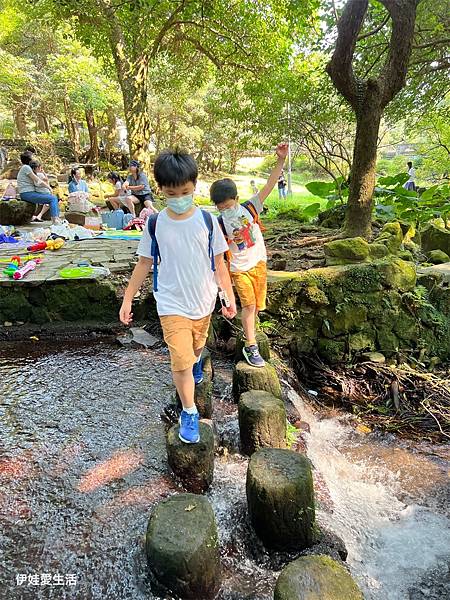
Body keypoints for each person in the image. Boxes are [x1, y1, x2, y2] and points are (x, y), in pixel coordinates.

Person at [119, 150, 236, 444]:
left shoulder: (208, 221)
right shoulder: (155, 224)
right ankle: (189, 411)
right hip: (171, 303)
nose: (180, 197)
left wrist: (228, 296)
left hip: (204, 301)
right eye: (173, 193)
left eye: (185, 191)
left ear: (194, 186)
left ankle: (196, 364)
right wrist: (127, 298)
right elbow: (144, 263)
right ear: (161, 190)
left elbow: (219, 262)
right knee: (181, 363)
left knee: (196, 349)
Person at [210, 142, 289, 368]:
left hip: (258, 262)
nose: (226, 210)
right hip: (238, 268)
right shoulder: (219, 224)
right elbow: (215, 252)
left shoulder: (250, 207)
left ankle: (251, 332)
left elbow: (271, 184)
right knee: (248, 305)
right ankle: (250, 345)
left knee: (255, 306)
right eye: (221, 208)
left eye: (228, 205)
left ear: (235, 198)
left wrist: (281, 160)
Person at [16, 151, 60, 224]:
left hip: (29, 193)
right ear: (29, 159)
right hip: (27, 193)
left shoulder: (27, 167)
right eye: (32, 156)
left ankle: (56, 218)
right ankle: (55, 220)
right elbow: (38, 181)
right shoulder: (26, 167)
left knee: (53, 198)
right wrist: (49, 188)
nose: (34, 158)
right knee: (53, 198)